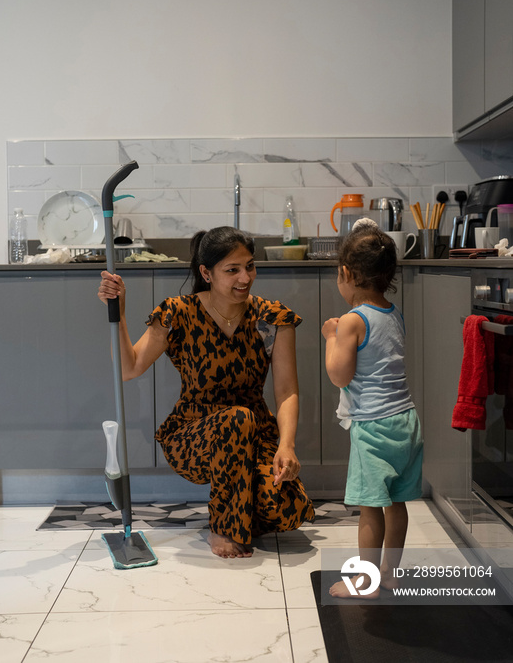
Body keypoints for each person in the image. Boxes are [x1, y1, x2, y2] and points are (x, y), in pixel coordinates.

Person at [98, 226, 314, 559]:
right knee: (236, 419)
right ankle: (224, 526)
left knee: (288, 510)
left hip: (255, 435)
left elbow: (286, 391)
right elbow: (129, 368)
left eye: (250, 266)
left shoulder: (271, 319)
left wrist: (286, 445)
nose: (245, 277)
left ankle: (241, 507)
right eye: (232, 270)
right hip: (192, 436)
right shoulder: (177, 313)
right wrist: (120, 312)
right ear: (206, 273)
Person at [321, 220, 423, 598]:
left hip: (374, 427)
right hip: (406, 422)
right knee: (396, 502)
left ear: (347, 273)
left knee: (369, 508)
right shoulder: (392, 312)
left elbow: (339, 375)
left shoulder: (351, 321)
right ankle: (390, 573)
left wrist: (331, 337)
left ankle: (366, 581)